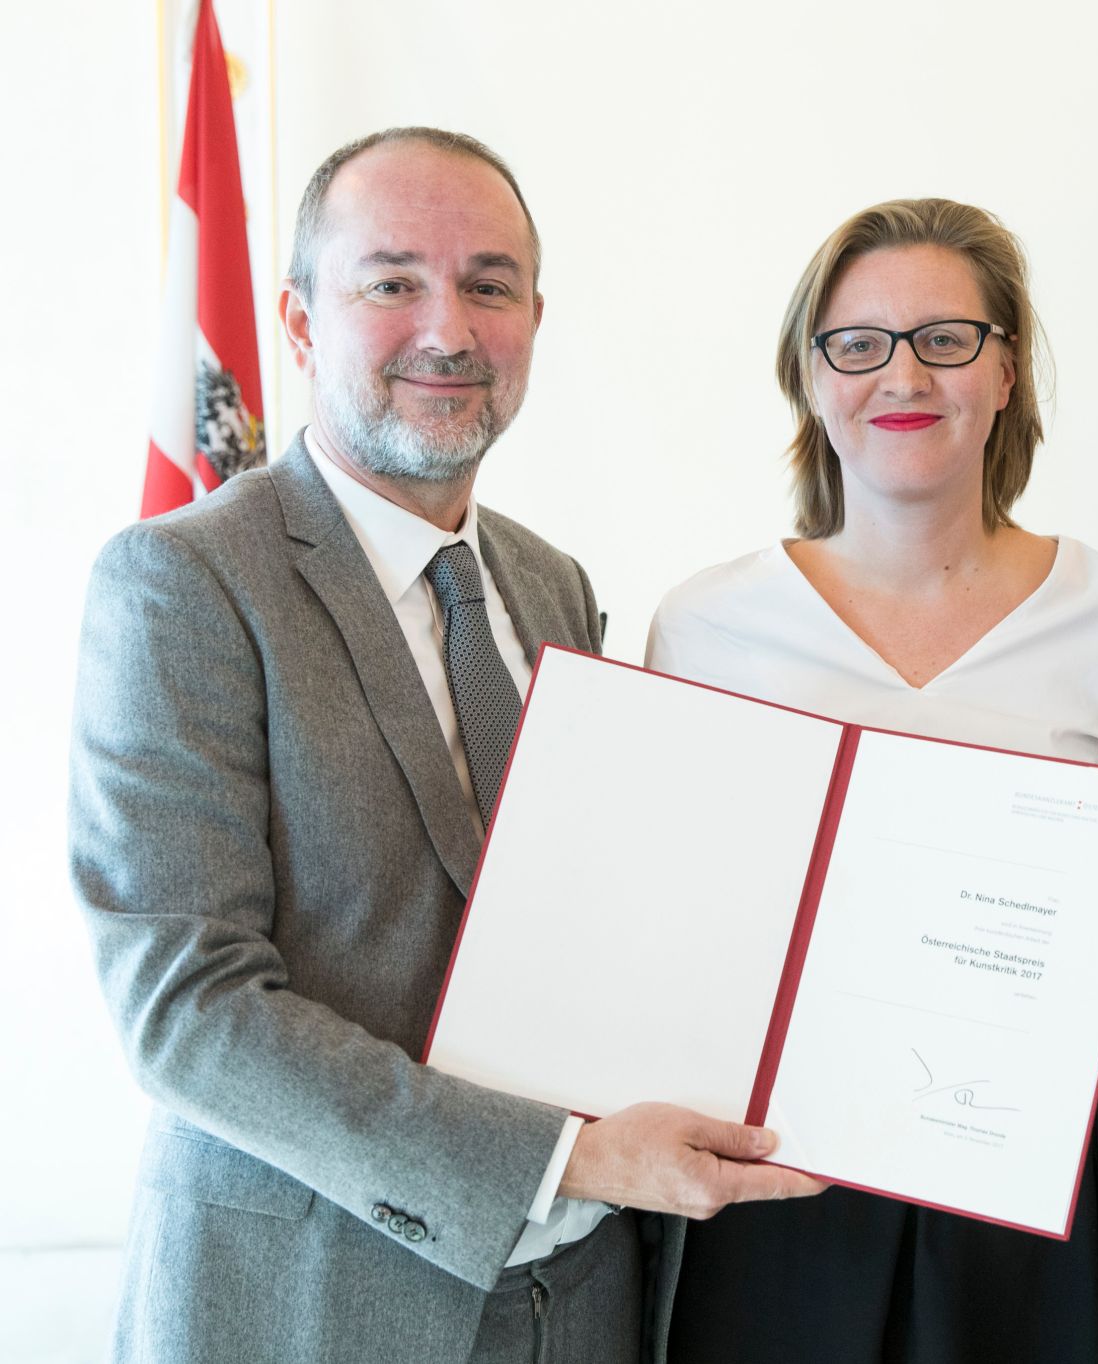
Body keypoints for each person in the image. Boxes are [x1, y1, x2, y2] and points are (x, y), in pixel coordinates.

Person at [68, 126, 819, 1364]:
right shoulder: (185, 582)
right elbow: (185, 1007)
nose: (448, 329)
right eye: (391, 281)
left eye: (488, 285)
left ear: (534, 319)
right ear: (299, 321)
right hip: (312, 1309)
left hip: (585, 1301)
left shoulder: (551, 582)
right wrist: (564, 1158)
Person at [644, 197, 1098, 1363]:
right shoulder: (705, 627)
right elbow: (676, 941)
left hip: (1041, 1197)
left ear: (1005, 372)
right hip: (776, 1183)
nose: (902, 374)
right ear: (811, 377)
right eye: (858, 343)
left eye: (945, 338)